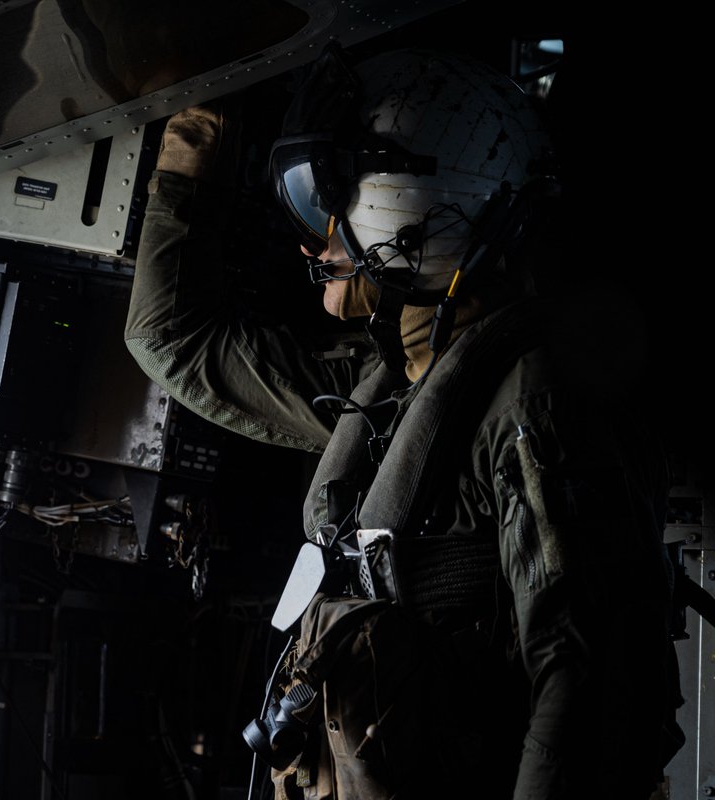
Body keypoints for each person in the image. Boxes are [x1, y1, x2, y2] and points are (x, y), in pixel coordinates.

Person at [125, 46, 680, 799]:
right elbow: (172, 335)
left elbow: (589, 696)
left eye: (323, 208)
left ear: (405, 212)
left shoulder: (535, 407)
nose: (311, 242)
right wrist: (201, 111)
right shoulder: (393, 387)